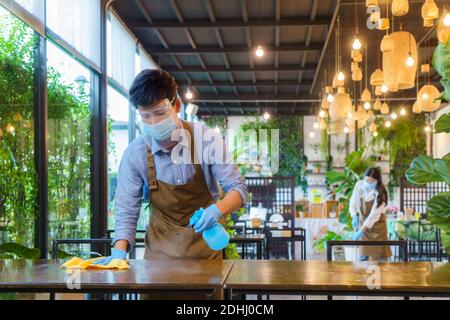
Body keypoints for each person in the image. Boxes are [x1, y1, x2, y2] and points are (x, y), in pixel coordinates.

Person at [94, 69, 247, 265]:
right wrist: (119, 253)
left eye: (159, 113)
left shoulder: (205, 140)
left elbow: (238, 189)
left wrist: (216, 211)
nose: (153, 122)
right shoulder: (135, 153)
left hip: (206, 257)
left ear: (176, 105)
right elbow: (126, 211)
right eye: (145, 116)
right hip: (158, 260)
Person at [350, 167, 392, 261]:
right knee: (363, 255)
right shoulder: (359, 185)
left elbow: (374, 215)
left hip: (378, 228)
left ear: (377, 181)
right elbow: (353, 203)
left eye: (371, 181)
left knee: (380, 257)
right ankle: (362, 275)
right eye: (367, 180)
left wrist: (360, 231)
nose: (368, 183)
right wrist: (354, 216)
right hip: (363, 225)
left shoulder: (381, 193)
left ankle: (382, 274)